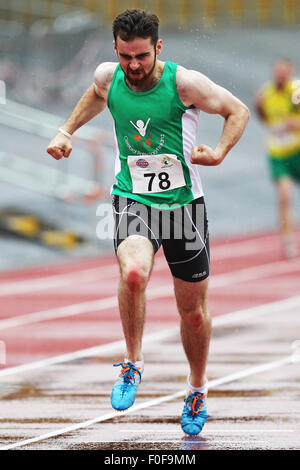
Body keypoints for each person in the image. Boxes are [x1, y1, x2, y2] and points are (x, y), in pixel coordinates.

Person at [47, 9, 249, 435]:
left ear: (158, 48)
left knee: (192, 313)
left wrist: (219, 152)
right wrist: (66, 131)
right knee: (134, 273)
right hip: (133, 198)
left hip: (183, 207)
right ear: (116, 49)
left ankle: (196, 387)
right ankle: (133, 364)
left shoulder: (184, 84)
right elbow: (95, 94)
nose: (133, 66)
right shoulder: (109, 75)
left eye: (141, 56)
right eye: (125, 56)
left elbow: (238, 111)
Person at [254, 58, 300, 259]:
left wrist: (295, 123)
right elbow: (263, 116)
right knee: (284, 197)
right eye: (278, 71)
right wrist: (261, 111)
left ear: (290, 72)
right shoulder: (265, 94)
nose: (281, 75)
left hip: (297, 150)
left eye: (285, 71)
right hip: (278, 154)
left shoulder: (296, 91)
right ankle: (288, 241)